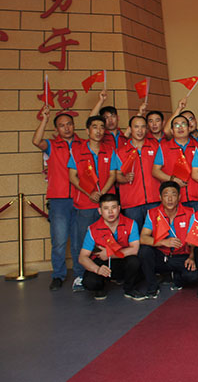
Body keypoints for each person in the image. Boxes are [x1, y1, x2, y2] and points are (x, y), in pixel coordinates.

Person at [32, 106, 83, 291]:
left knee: (78, 241)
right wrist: (44, 119)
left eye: (69, 124)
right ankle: (58, 275)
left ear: (74, 125)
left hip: (81, 198)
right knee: (59, 241)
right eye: (62, 125)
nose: (66, 128)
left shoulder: (83, 144)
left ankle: (80, 275)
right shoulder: (52, 145)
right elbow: (36, 141)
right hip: (59, 199)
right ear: (56, 129)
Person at [68, 115, 120, 292]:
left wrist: (103, 193)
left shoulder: (109, 150)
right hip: (85, 204)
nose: (98, 131)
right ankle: (81, 275)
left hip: (107, 205)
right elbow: (72, 176)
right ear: (87, 130)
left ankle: (109, 274)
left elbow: (113, 174)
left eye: (101, 127)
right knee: (83, 242)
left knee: (110, 240)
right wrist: (88, 193)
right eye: (94, 127)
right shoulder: (77, 151)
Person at [77, 193, 145, 301]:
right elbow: (82, 257)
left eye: (113, 207)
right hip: (103, 263)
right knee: (90, 282)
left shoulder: (131, 224)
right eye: (106, 208)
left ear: (119, 208)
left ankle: (129, 289)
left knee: (135, 262)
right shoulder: (93, 229)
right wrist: (97, 269)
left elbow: (134, 249)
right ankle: (101, 287)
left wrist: (110, 254)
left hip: (122, 260)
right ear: (100, 211)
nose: (110, 212)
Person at [138, 181, 198, 297]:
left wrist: (192, 257)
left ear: (179, 197)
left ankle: (176, 275)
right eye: (166, 195)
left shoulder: (190, 213)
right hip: (162, 256)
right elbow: (143, 238)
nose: (170, 199)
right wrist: (163, 242)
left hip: (182, 255)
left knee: (193, 276)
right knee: (144, 251)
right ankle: (152, 287)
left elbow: (194, 239)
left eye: (173, 195)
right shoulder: (153, 213)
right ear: (160, 197)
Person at [115, 115, 161, 230]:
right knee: (135, 236)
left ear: (146, 129)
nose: (140, 130)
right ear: (130, 129)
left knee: (157, 235)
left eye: (143, 127)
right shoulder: (121, 151)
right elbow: (116, 175)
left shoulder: (156, 147)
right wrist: (125, 179)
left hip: (155, 200)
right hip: (132, 204)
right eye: (136, 127)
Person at [152, 115, 198, 209]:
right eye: (176, 125)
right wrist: (172, 179)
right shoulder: (164, 148)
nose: (180, 128)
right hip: (175, 200)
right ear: (172, 130)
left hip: (197, 198)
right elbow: (155, 171)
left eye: (183, 124)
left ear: (189, 128)